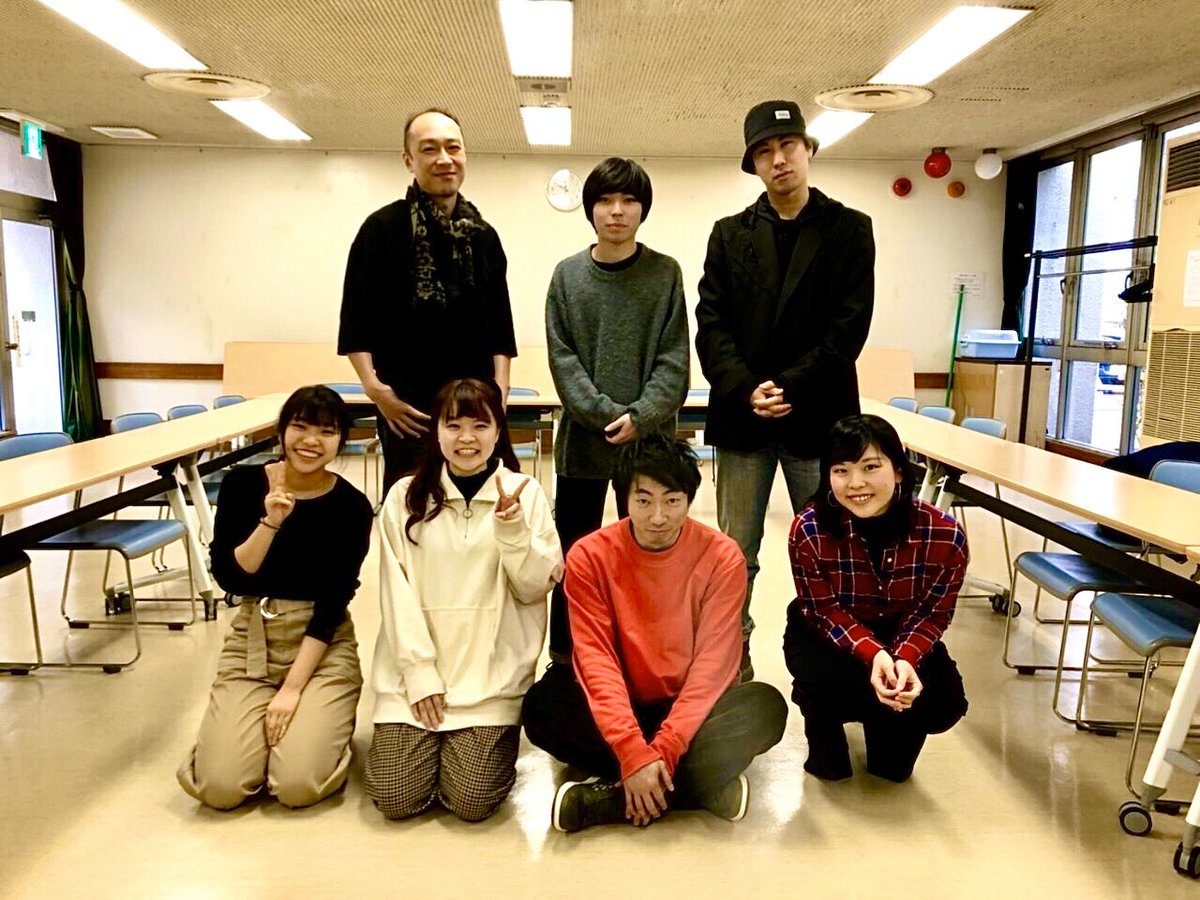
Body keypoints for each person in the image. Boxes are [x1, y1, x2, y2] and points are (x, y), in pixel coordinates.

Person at [522, 435, 787, 833]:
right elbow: (596, 660)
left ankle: (612, 798)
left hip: (688, 708)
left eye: (672, 500)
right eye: (644, 500)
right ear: (624, 499)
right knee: (543, 705)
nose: (658, 516)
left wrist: (664, 747)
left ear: (689, 499)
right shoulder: (589, 556)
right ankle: (698, 788)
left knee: (765, 707)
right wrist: (631, 747)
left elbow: (713, 666)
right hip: (619, 704)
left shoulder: (722, 556)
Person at [695, 99, 876, 677]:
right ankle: (731, 671)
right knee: (734, 557)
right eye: (764, 152)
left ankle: (832, 668)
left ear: (809, 150)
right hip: (743, 420)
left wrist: (788, 386)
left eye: (788, 146)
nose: (778, 160)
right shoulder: (729, 235)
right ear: (753, 164)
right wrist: (746, 388)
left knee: (830, 555)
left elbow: (848, 328)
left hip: (819, 421)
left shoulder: (850, 230)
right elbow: (711, 325)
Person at [366, 377, 562, 822]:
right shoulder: (404, 496)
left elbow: (534, 587)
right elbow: (395, 591)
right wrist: (419, 673)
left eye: (480, 425)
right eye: (453, 425)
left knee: (471, 801)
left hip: (490, 679)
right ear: (436, 430)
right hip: (412, 678)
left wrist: (512, 531)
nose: (466, 438)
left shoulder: (524, 493)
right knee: (396, 798)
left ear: (498, 431)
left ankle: (471, 751)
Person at [178, 385, 374, 809]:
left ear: (341, 440)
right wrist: (271, 520)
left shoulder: (351, 506)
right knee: (221, 788)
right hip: (252, 638)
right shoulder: (242, 484)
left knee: (296, 785)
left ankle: (322, 728)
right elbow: (232, 578)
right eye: (300, 427)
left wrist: (292, 689)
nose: (311, 441)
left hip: (321, 646)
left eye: (326, 432)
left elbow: (333, 603)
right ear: (281, 430)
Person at [545, 156, 689, 665]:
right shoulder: (567, 276)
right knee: (575, 556)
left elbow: (674, 360)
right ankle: (566, 659)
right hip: (583, 446)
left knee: (652, 554)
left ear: (643, 210)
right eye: (605, 200)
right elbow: (562, 358)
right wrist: (605, 414)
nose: (617, 211)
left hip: (650, 449)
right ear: (590, 210)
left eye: (629, 200)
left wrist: (642, 417)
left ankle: (649, 658)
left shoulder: (665, 273)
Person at [338, 108, 517, 494]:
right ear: (409, 160)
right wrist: (376, 391)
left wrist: (501, 391)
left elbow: (500, 326)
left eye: (453, 148)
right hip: (409, 410)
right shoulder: (381, 229)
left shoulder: (483, 235)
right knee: (414, 508)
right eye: (429, 149)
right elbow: (356, 321)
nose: (444, 159)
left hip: (477, 407)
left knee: (494, 505)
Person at [785, 414, 969, 783]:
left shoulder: (945, 535)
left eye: (871, 467)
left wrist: (904, 659)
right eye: (841, 470)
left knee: (941, 705)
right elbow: (823, 610)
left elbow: (932, 614)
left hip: (900, 629)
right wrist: (876, 655)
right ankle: (824, 726)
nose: (856, 483)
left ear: (899, 471)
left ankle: (883, 713)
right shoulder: (809, 528)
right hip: (830, 633)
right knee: (819, 685)